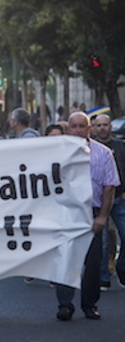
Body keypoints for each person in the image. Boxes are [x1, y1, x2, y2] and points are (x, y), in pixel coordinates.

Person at [55, 112, 119, 321]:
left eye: (82, 126)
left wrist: (102, 217)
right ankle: (65, 305)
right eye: (73, 126)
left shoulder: (104, 154)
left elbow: (109, 187)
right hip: (66, 212)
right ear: (68, 129)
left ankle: (90, 304)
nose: (77, 130)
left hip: (92, 212)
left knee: (93, 262)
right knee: (65, 259)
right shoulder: (56, 153)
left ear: (88, 128)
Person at [91, 115, 125, 291]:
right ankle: (103, 277)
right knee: (102, 243)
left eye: (105, 125)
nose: (102, 128)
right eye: (99, 125)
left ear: (111, 126)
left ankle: (121, 269)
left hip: (120, 198)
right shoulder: (90, 149)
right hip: (99, 201)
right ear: (93, 128)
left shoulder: (121, 146)